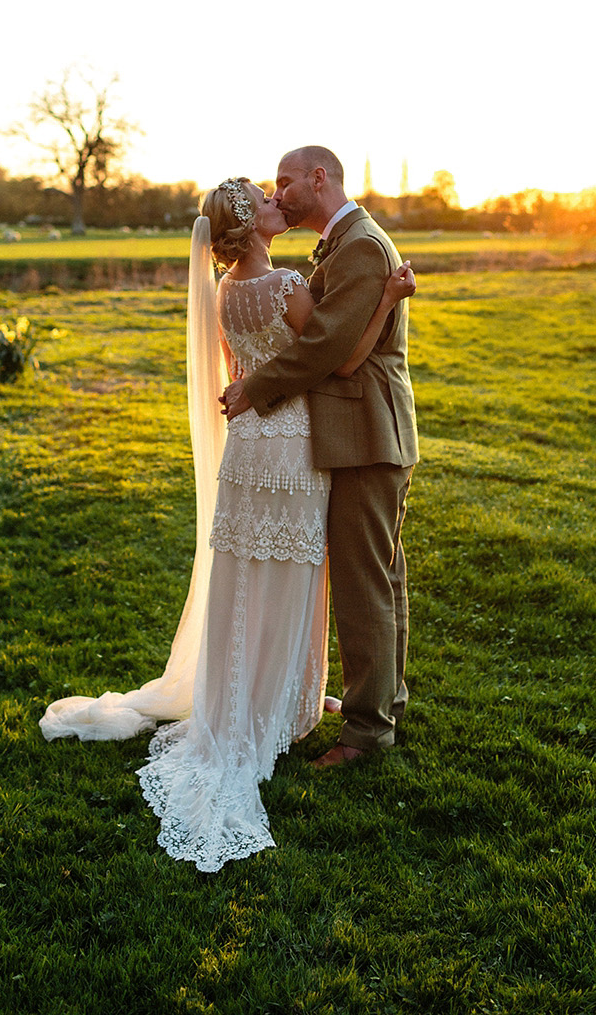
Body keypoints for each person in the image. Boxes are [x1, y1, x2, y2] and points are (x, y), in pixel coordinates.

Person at [40, 176, 414, 871]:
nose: (281, 204)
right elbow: (344, 357)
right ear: (253, 225)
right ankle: (286, 705)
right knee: (296, 576)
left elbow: (241, 366)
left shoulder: (221, 293)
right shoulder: (283, 287)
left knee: (244, 576)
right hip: (293, 445)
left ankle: (254, 698)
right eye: (268, 203)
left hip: (247, 450)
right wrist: (387, 299)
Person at [222, 146, 419, 768]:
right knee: (377, 576)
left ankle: (364, 734)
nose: (276, 194)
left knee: (365, 584)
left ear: (319, 177)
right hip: (358, 431)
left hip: (365, 430)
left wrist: (254, 387)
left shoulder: (359, 244)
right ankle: (382, 700)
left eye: (284, 181)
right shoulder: (344, 242)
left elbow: (330, 347)